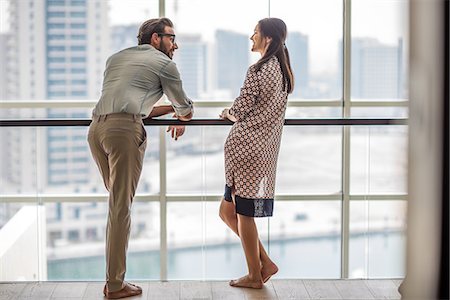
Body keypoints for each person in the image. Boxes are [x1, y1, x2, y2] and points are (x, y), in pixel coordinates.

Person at [87, 17, 193, 299]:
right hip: (123, 133)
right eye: (172, 38)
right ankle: (115, 285)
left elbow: (138, 106)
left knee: (116, 204)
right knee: (120, 209)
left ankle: (113, 279)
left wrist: (171, 110)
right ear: (156, 38)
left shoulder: (116, 58)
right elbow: (186, 109)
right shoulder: (164, 64)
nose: (176, 44)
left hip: (96, 129)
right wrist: (180, 113)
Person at [219, 18, 294, 289]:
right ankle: (265, 262)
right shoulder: (284, 73)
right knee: (227, 212)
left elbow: (239, 110)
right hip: (261, 150)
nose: (251, 37)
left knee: (243, 213)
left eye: (255, 33)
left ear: (268, 39)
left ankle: (254, 275)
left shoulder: (259, 69)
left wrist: (226, 113)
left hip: (245, 149)